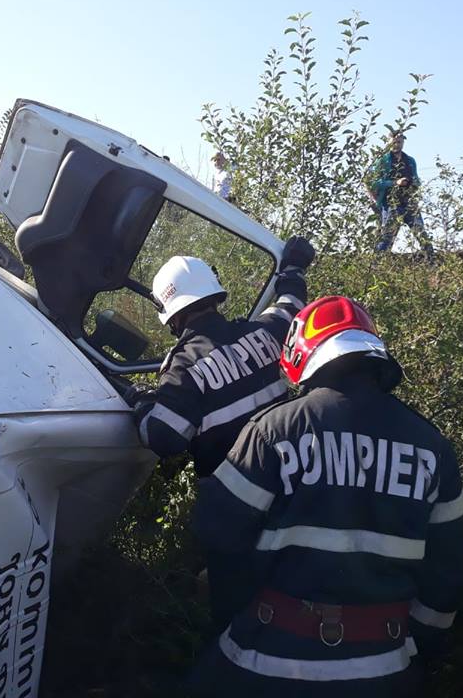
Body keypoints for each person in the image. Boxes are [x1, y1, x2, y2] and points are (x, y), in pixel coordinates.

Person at [190, 295, 463, 697]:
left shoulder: (275, 430)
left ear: (302, 356)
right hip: (388, 667)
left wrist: (232, 617)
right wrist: (418, 648)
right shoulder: (433, 447)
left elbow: (218, 536)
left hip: (267, 661)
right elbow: (449, 568)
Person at [134, 237, 315, 632]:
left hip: (237, 511)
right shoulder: (265, 333)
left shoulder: (184, 369)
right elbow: (291, 306)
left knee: (238, 612)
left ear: (171, 314)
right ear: (214, 295)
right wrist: (293, 267)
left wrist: (141, 400)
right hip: (295, 490)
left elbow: (161, 438)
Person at [366, 131, 435, 260]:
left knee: (421, 234)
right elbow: (371, 181)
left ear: (403, 142)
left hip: (408, 202)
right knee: (387, 237)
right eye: (394, 142)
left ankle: (433, 264)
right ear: (389, 142)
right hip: (391, 203)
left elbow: (416, 179)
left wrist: (413, 184)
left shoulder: (409, 160)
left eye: (400, 142)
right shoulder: (382, 161)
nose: (397, 144)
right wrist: (394, 183)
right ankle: (376, 265)